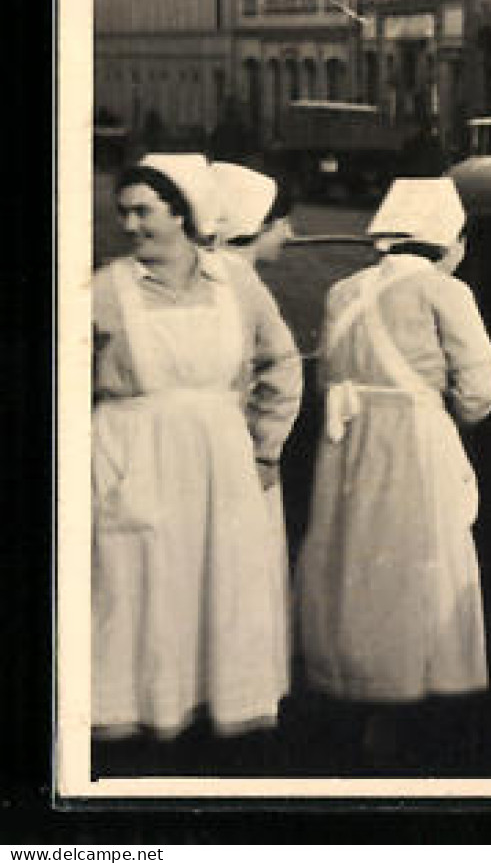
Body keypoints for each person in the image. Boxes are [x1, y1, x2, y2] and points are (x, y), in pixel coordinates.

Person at [91, 154, 301, 766]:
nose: (130, 225)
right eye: (122, 212)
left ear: (182, 214)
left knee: (219, 582)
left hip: (220, 459)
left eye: (144, 211)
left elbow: (281, 364)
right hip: (130, 453)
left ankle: (218, 719)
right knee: (138, 587)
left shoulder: (234, 282)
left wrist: (265, 448)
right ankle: (138, 723)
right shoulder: (103, 289)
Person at [295, 177, 491, 769]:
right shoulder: (446, 292)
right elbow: (481, 385)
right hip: (413, 436)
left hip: (349, 439)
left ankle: (354, 683)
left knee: (353, 558)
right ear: (449, 240)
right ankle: (416, 694)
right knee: (419, 558)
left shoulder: (343, 291)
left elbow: (327, 373)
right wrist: (459, 415)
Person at [211, 162, 303, 688]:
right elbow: (284, 370)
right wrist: (267, 449)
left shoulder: (201, 272)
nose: (290, 234)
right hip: (240, 453)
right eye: (281, 223)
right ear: (255, 225)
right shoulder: (242, 281)